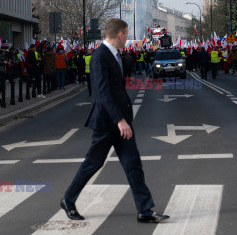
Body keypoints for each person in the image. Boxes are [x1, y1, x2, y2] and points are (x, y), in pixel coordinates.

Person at [61, 19, 169, 223]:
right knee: (93, 163)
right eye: (127, 35)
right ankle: (68, 199)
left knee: (132, 163)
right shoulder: (100, 56)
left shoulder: (115, 55)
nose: (127, 39)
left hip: (120, 121)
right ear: (120, 34)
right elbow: (103, 92)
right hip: (106, 121)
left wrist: (123, 118)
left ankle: (145, 210)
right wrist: (119, 120)